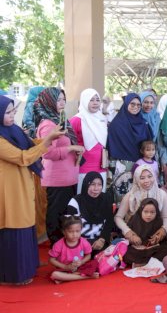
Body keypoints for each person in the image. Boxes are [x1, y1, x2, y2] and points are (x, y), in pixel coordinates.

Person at [0, 95, 67, 285]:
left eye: (14, 111)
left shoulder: (12, 130)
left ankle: (27, 268)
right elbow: (23, 157)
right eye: (8, 112)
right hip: (9, 190)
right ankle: (12, 276)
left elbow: (31, 145)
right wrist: (47, 142)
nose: (13, 115)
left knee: (25, 223)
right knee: (14, 225)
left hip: (22, 184)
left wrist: (47, 138)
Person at [35, 87, 83, 244]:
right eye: (58, 100)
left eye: (64, 99)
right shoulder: (48, 124)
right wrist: (71, 148)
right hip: (57, 179)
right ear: (49, 101)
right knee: (56, 216)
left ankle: (66, 247)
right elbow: (47, 153)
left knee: (65, 215)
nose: (62, 103)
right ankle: (56, 248)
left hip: (68, 176)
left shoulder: (60, 119)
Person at [115, 166, 167, 244]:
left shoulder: (162, 194)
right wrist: (128, 232)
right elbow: (118, 217)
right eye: (142, 178)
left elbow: (165, 217)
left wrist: (163, 229)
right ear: (136, 179)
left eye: (150, 176)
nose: (147, 181)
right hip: (135, 235)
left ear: (154, 177)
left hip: (154, 236)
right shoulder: (130, 196)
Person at [69, 88, 108, 194]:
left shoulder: (102, 119)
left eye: (97, 100)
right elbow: (68, 142)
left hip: (101, 166)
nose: (95, 103)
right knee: (83, 198)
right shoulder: (76, 120)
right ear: (85, 100)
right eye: (91, 100)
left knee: (99, 199)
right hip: (83, 167)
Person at [65, 172, 113, 256]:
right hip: (79, 241)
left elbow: (109, 222)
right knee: (75, 260)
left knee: (110, 259)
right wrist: (84, 244)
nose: (96, 188)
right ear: (86, 185)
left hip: (99, 241)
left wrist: (102, 239)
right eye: (92, 184)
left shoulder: (106, 199)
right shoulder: (75, 201)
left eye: (99, 184)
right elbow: (70, 227)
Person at [107, 93, 153, 175]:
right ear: (126, 104)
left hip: (142, 165)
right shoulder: (116, 124)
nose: (136, 107)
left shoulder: (143, 123)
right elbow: (111, 147)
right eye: (132, 104)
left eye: (139, 105)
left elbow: (150, 143)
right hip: (122, 166)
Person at [48, 215, 99, 284]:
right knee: (55, 274)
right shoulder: (58, 244)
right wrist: (65, 267)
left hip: (79, 267)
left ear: (81, 230)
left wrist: (82, 262)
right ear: (64, 232)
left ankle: (68, 277)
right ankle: (86, 277)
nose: (74, 234)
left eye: (77, 231)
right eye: (71, 232)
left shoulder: (84, 242)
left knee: (95, 263)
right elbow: (51, 259)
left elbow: (88, 255)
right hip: (64, 269)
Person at [122, 197, 167, 267]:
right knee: (125, 252)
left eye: (152, 212)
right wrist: (132, 238)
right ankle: (148, 263)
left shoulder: (159, 221)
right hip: (137, 250)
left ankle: (142, 263)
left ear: (156, 212)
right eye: (146, 212)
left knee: (166, 250)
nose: (149, 215)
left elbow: (165, 240)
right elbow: (125, 235)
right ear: (141, 211)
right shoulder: (134, 219)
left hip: (153, 249)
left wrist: (157, 239)